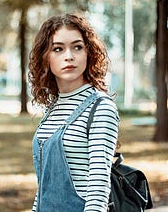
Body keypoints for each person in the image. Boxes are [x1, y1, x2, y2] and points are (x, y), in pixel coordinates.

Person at [28, 13, 120, 212]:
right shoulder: (53, 109)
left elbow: (98, 186)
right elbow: (43, 186)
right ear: (46, 56)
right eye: (58, 49)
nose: (69, 56)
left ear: (89, 53)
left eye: (77, 47)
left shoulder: (100, 108)